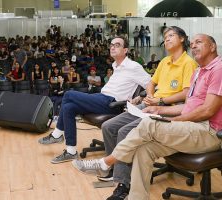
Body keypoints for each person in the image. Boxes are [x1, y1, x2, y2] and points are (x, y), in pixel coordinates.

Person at [72, 34, 222, 200]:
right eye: (193, 43)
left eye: (199, 42)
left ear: (212, 47)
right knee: (143, 150)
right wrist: (158, 109)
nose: (193, 46)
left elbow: (207, 111)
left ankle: (105, 163)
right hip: (192, 128)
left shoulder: (220, 70)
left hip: (208, 132)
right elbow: (188, 107)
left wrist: (171, 122)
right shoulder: (199, 72)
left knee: (148, 124)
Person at [78, 26, 197, 200]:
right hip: (151, 104)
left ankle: (123, 185)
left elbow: (187, 93)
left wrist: (160, 101)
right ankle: (113, 169)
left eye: (171, 35)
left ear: (182, 39)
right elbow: (151, 83)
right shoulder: (165, 61)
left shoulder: (188, 63)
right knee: (109, 126)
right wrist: (149, 95)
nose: (167, 39)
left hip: (170, 108)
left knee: (124, 132)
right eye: (165, 36)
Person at [38, 36, 151, 164]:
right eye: (111, 44)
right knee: (69, 107)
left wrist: (139, 98)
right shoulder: (116, 65)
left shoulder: (133, 66)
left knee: (68, 94)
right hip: (101, 98)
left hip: (112, 103)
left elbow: (152, 83)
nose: (112, 47)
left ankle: (57, 134)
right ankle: (71, 151)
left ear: (125, 50)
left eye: (117, 45)